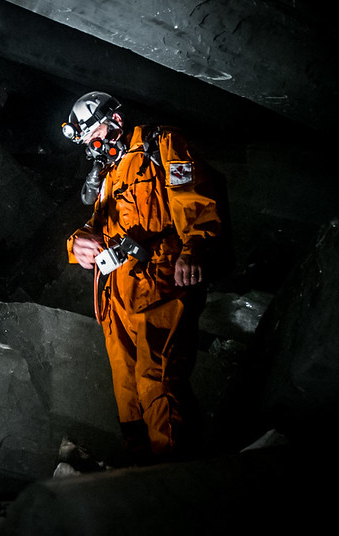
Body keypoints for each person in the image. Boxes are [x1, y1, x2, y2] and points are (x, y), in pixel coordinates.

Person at [63, 91, 221, 464]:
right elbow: (95, 227)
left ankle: (173, 476)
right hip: (115, 295)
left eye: (94, 133)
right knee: (127, 391)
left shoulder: (160, 144)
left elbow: (195, 201)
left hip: (160, 284)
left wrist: (193, 251)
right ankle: (140, 472)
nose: (92, 144)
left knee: (158, 382)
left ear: (115, 122)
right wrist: (76, 244)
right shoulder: (107, 172)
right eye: (86, 140)